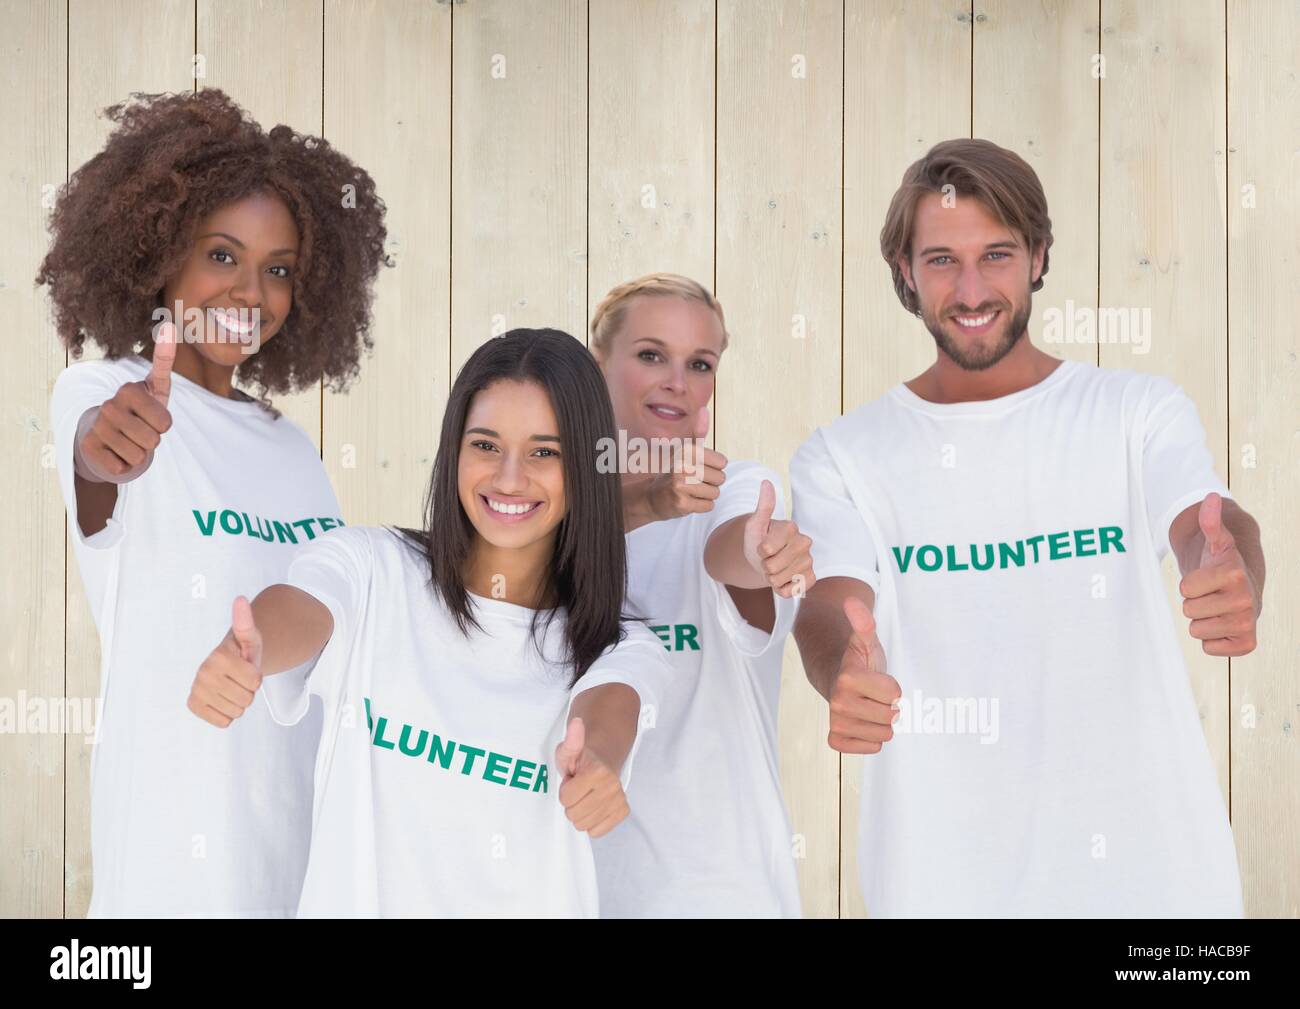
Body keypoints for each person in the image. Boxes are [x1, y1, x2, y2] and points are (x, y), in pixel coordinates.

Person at [790, 138, 1263, 917]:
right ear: (905, 272)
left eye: (997, 254)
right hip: (939, 889)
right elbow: (831, 604)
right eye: (941, 259)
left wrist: (1230, 570)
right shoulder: (843, 456)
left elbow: (1206, 522)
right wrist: (842, 669)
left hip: (1160, 895)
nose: (972, 288)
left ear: (1039, 256)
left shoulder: (1135, 412)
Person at [40, 88, 390, 917]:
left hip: (298, 859)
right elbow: (97, 460)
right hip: (173, 870)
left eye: (278, 270)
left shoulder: (292, 448)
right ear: (160, 254)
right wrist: (106, 443)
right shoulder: (106, 391)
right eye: (222, 256)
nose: (251, 293)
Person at [188, 329, 672, 917]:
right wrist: (255, 647)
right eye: (486, 445)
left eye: (546, 452)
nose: (509, 478)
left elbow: (608, 709)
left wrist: (596, 762)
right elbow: (307, 602)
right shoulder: (374, 568)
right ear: (454, 450)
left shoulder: (622, 645)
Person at [587, 274, 814, 917]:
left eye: (700, 364)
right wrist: (649, 499)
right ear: (596, 363)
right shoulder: (538, 515)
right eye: (651, 355)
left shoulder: (739, 487)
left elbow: (733, 550)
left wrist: (763, 552)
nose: (676, 381)